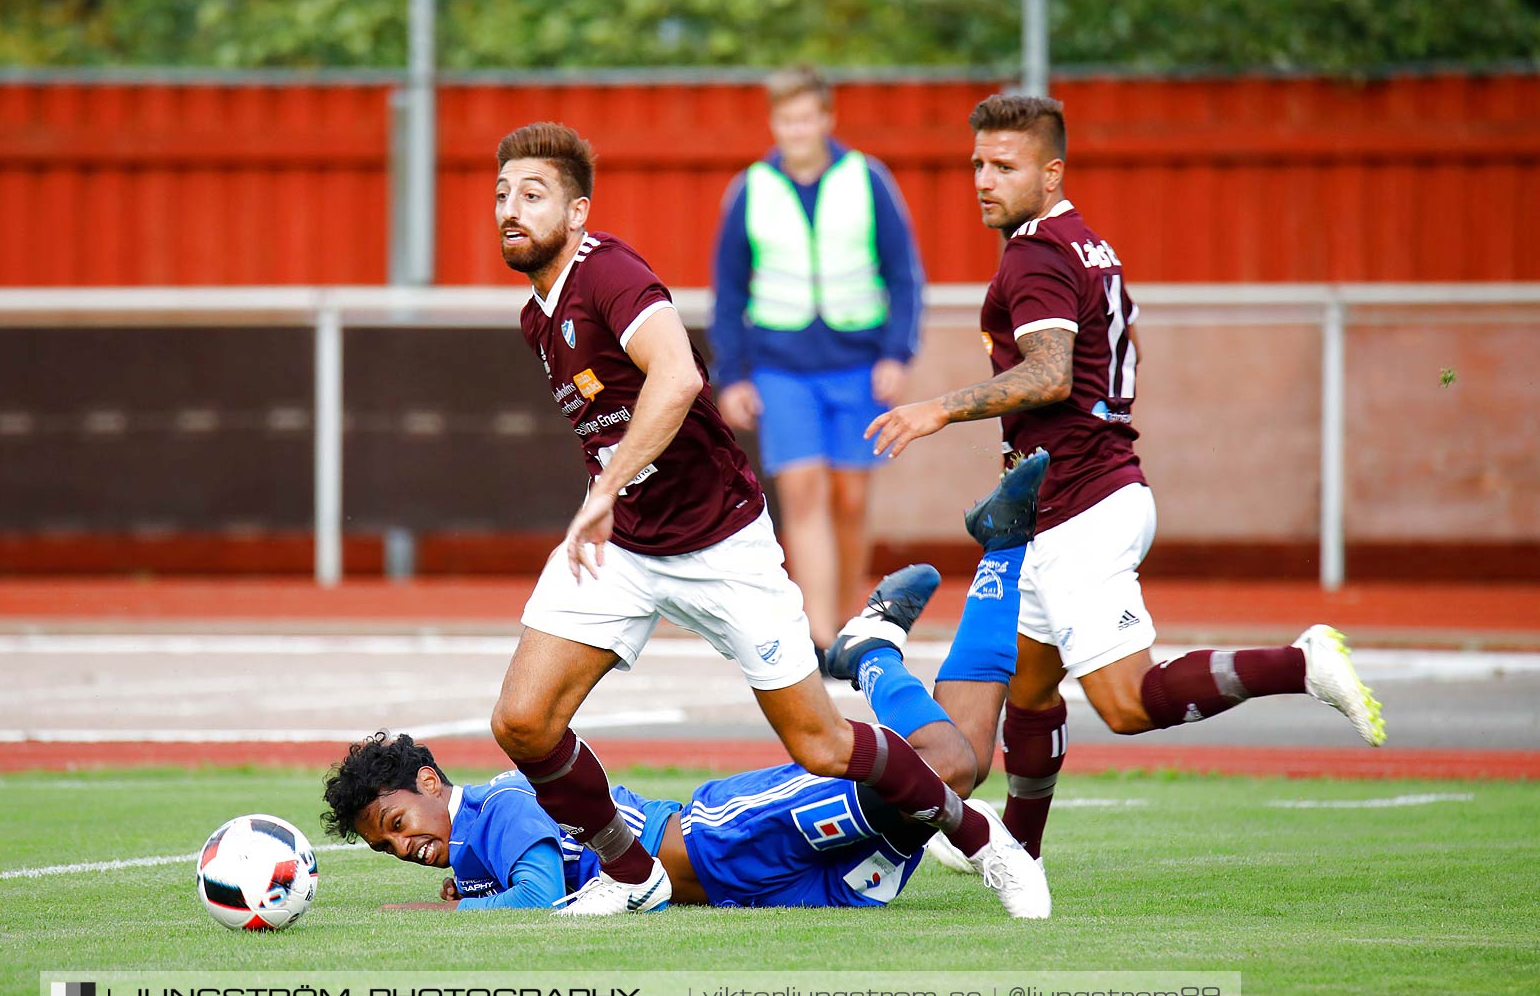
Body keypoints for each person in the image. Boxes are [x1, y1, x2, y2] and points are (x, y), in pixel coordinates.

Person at [485, 121, 1043, 916]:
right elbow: (614, 426)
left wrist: (603, 487)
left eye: (533, 195)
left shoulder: (608, 272)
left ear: (577, 214)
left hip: (721, 544)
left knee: (819, 745)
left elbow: (676, 380)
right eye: (502, 195)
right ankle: (630, 874)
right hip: (627, 548)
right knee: (523, 722)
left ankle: (982, 839)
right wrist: (608, 498)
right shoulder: (536, 315)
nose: (511, 209)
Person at [865, 94, 1386, 862]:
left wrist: (939, 408)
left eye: (1003, 166)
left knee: (1128, 705)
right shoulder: (1085, 244)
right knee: (1034, 691)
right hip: (1070, 500)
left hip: (1083, 505)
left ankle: (1300, 662)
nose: (983, 179)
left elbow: (1048, 374)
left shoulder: (1036, 254)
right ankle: (1022, 850)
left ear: (1051, 172)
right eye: (977, 163)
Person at [326, 459, 1056, 917]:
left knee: (947, 769)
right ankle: (886, 646)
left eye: (396, 823)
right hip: (771, 892)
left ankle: (903, 632)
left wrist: (444, 911)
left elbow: (543, 891)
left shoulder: (498, 805)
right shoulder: (472, 853)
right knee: (959, 763)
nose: (406, 846)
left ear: (429, 780)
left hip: (720, 842)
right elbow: (516, 885)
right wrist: (467, 888)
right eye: (388, 849)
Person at [709, 66, 925, 655]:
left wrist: (895, 354)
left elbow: (904, 276)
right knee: (803, 492)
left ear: (827, 119)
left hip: (858, 362)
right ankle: (821, 632)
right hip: (781, 366)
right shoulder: (750, 189)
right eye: (786, 119)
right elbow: (728, 294)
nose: (797, 129)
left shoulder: (868, 180)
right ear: (774, 123)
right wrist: (733, 376)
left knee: (850, 496)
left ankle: (852, 610)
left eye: (807, 117)